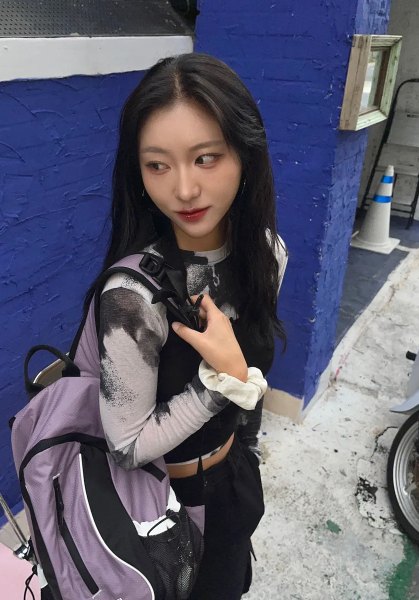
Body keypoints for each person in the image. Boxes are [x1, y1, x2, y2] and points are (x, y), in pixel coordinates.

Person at [86, 52, 288, 600]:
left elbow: (254, 378)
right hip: (161, 510)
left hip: (232, 481)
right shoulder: (133, 297)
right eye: (158, 165)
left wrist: (245, 443)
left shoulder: (266, 255)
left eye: (206, 158)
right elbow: (126, 445)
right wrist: (218, 384)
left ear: (245, 153)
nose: (184, 190)